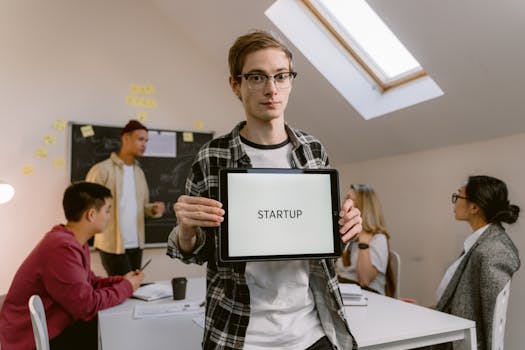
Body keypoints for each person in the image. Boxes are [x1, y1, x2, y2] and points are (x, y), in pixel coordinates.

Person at [167, 30, 363, 350]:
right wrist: (186, 229)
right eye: (257, 77)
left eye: (281, 76)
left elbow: (320, 239)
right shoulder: (212, 157)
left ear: (290, 81)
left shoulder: (313, 150)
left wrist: (345, 227)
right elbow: (195, 252)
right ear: (236, 84)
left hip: (313, 330)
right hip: (239, 333)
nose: (271, 89)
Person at [0, 182, 144, 350]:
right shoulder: (61, 248)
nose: (109, 217)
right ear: (91, 214)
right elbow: (87, 306)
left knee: (112, 330)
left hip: (54, 328)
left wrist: (121, 281)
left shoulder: (73, 242)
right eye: (107, 210)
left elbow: (88, 283)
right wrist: (127, 287)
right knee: (114, 333)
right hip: (32, 340)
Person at [432, 175, 520, 350]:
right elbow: (462, 301)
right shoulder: (479, 242)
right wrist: (426, 309)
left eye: (458, 196)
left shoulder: (493, 249)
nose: (454, 202)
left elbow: (494, 322)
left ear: (474, 207)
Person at [86, 119, 165, 276]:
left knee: (133, 291)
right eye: (140, 139)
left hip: (136, 243)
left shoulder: (139, 172)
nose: (144, 144)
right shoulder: (102, 170)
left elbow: (142, 207)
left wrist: (153, 209)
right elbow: (88, 205)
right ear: (126, 138)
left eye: (146, 141)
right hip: (111, 244)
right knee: (121, 290)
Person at [335, 184, 395, 296]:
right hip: (344, 290)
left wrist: (363, 241)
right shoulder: (346, 232)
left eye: (349, 199)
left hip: (368, 295)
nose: (344, 203)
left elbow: (364, 280)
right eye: (345, 198)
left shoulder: (378, 238)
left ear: (363, 206)